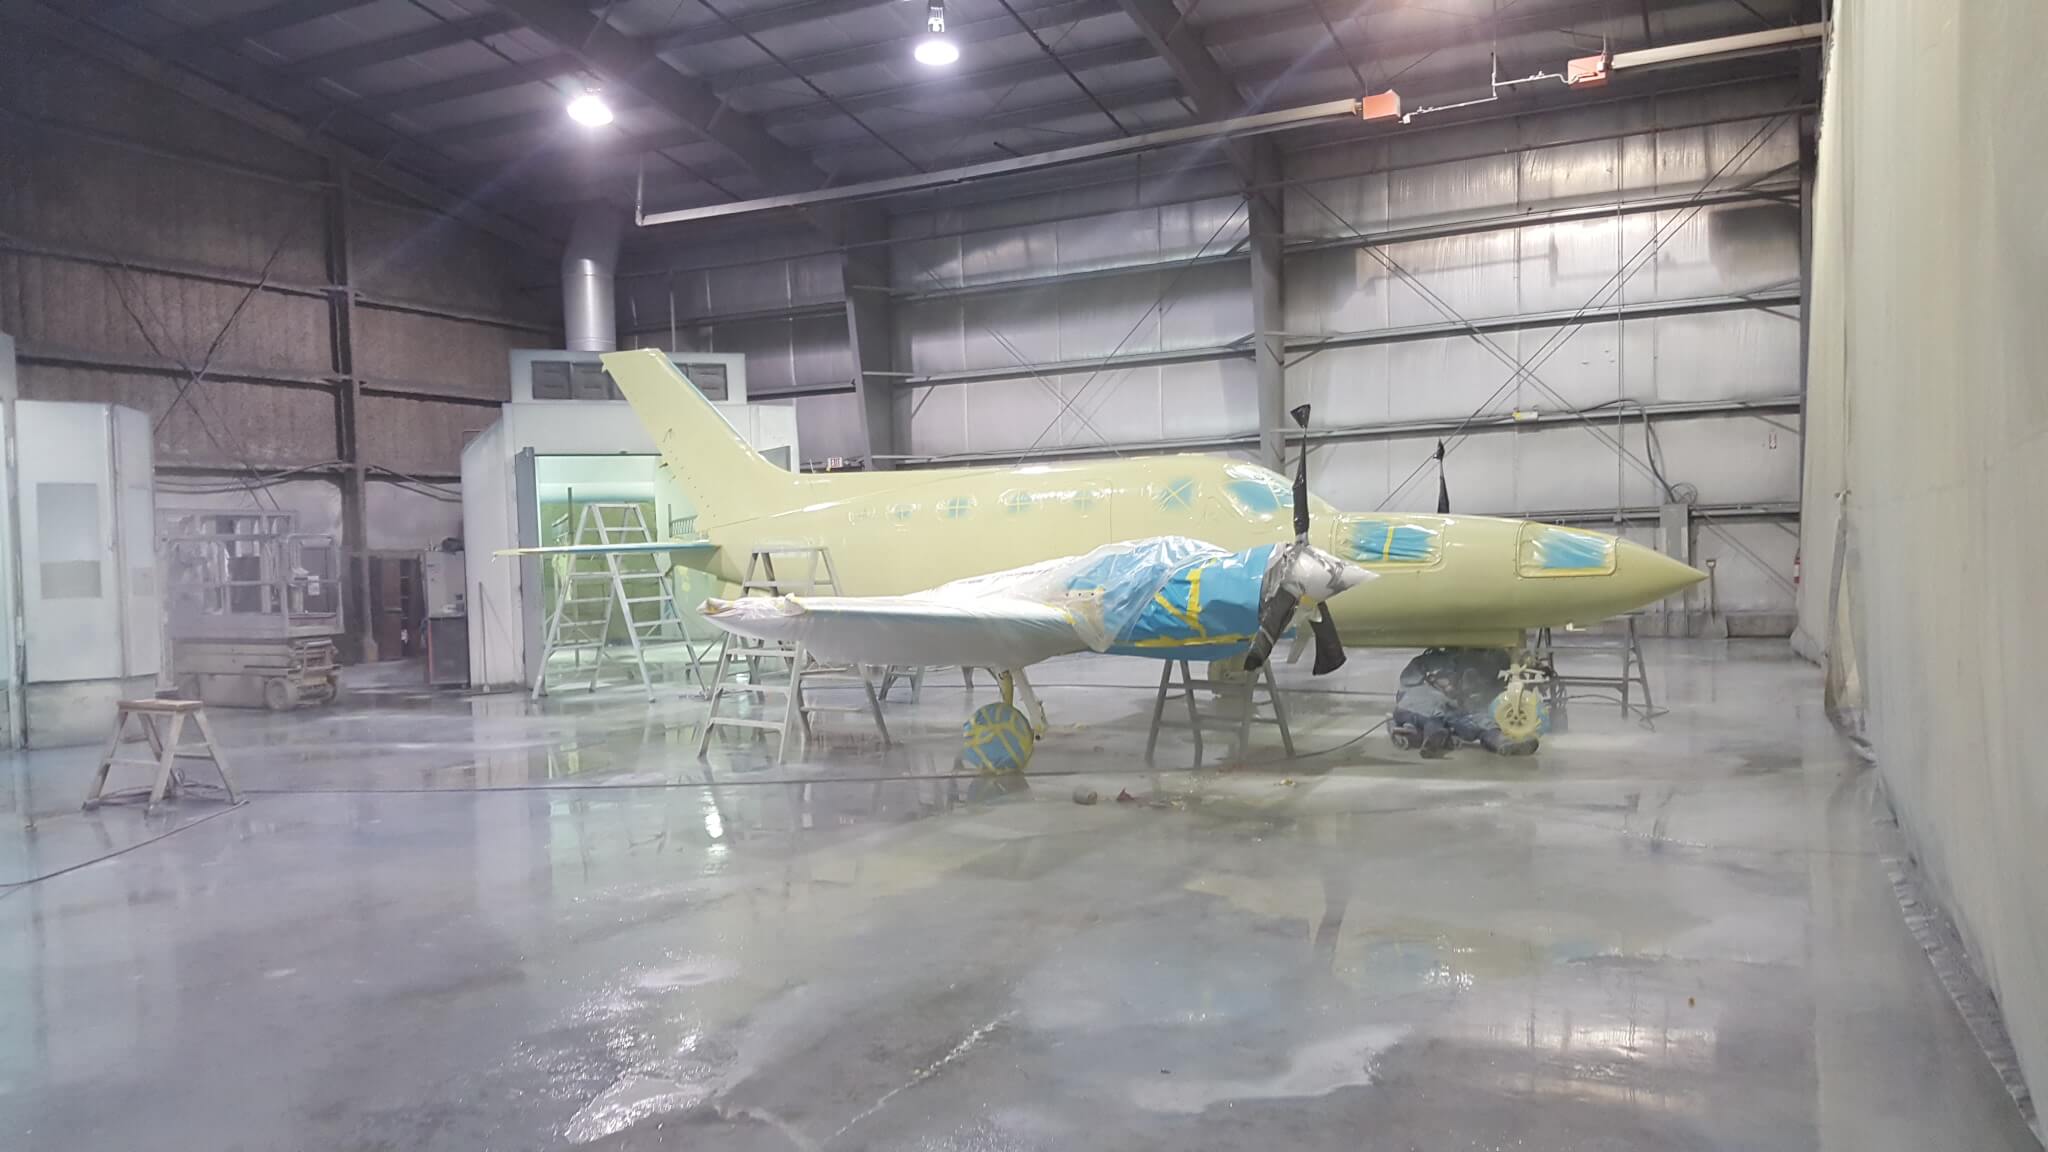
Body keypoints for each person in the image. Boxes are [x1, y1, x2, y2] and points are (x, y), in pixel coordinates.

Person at [1390, 648, 1538, 757]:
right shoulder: (1425, 670)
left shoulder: (1469, 662)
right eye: (1448, 679)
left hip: (1447, 708)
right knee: (1433, 717)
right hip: (1422, 709)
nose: (1451, 685)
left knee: (1478, 720)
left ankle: (1503, 743)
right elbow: (1408, 684)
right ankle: (1433, 738)